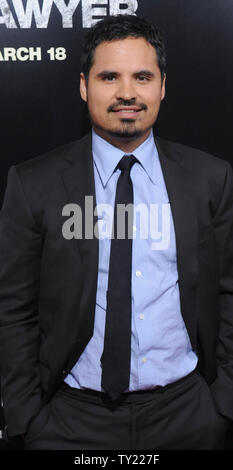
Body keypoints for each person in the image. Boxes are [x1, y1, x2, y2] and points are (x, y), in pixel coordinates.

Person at [0, 14, 233, 451]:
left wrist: (221, 405)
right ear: (85, 86)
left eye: (142, 76)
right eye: (109, 77)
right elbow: (12, 307)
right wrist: (26, 416)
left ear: (162, 86)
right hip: (68, 422)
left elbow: (229, 292)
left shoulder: (210, 179)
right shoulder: (34, 184)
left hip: (189, 415)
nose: (127, 93)